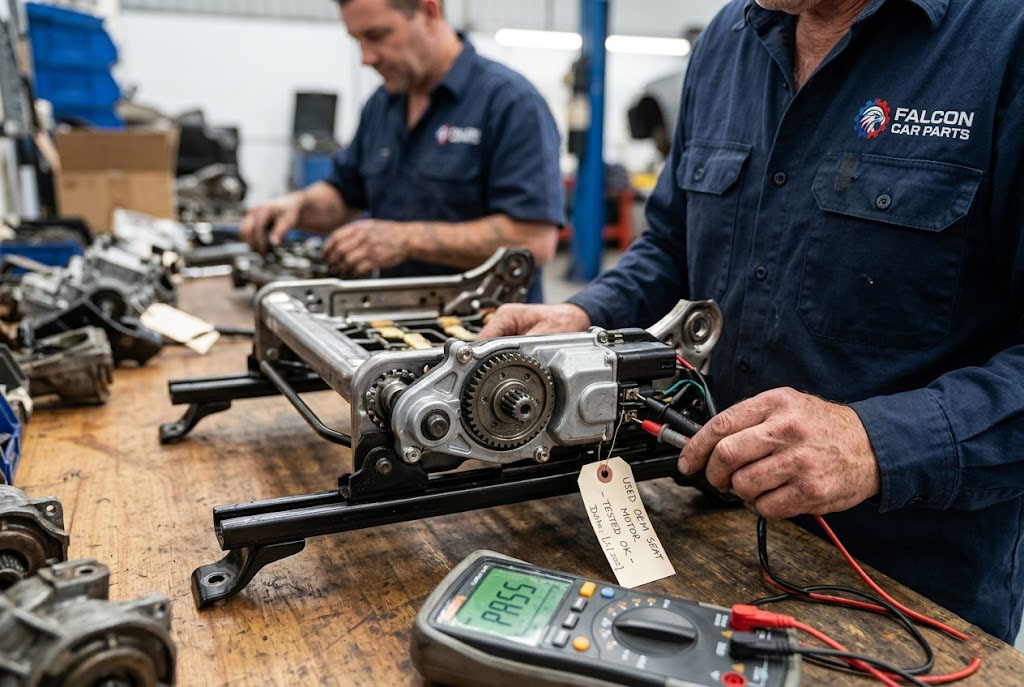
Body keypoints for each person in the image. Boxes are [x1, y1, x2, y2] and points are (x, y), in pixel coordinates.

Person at [480, 0, 1024, 643]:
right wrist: (583, 313)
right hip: (706, 533)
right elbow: (672, 247)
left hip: (906, 590)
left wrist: (874, 442)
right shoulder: (729, 38)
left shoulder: (1003, 38)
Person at [240, 0, 562, 301]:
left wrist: (404, 239)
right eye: (357, 41)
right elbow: (345, 194)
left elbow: (533, 241)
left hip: (487, 342)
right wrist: (297, 205)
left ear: (430, 11)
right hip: (393, 326)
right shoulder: (383, 104)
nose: (367, 58)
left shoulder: (510, 104)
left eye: (377, 36)